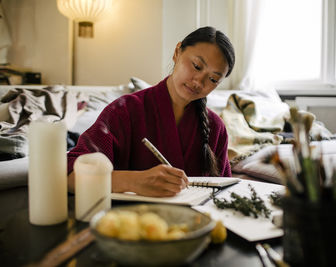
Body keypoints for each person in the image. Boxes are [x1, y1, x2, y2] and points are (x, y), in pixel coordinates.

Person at [67, 26, 235, 197]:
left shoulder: (216, 128)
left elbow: (225, 193)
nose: (199, 82)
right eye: (197, 66)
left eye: (213, 79)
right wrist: (133, 181)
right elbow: (70, 177)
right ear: (177, 52)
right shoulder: (123, 111)